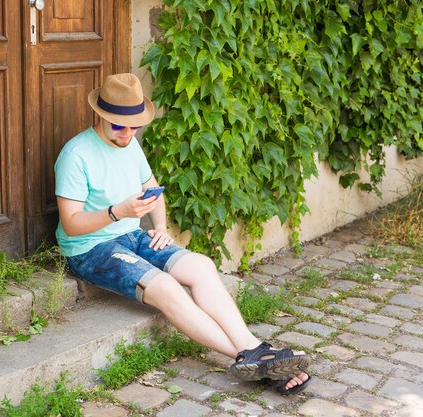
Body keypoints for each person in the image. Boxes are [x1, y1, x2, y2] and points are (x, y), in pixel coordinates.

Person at [54, 73, 312, 395]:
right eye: (120, 126)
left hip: (131, 235)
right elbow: (71, 224)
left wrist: (160, 228)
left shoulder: (130, 145)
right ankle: (251, 359)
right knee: (166, 287)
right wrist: (117, 212)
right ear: (102, 115)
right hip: (90, 248)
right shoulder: (76, 154)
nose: (128, 133)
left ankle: (255, 348)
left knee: (201, 266)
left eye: (135, 126)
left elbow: (154, 191)